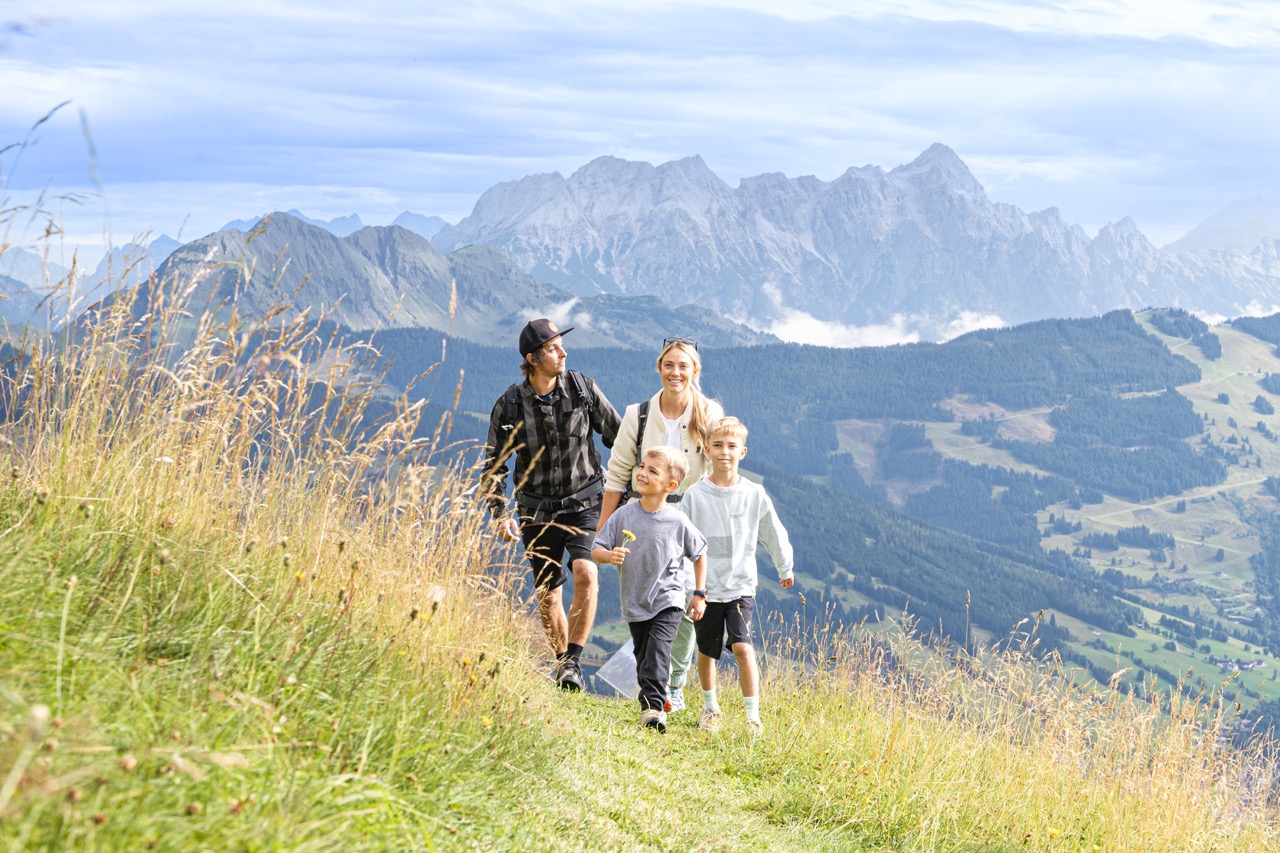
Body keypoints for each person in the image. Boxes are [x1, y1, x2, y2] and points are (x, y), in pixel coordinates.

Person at [482, 318, 621, 691]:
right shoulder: (509, 407)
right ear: (532, 359)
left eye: (562, 345)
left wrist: (634, 488)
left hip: (586, 501)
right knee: (548, 593)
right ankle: (564, 665)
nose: (563, 352)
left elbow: (619, 437)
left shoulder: (582, 389)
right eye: (553, 348)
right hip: (535, 510)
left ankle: (573, 659)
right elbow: (493, 467)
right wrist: (500, 514)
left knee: (586, 572)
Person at [597, 337, 723, 712]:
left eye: (683, 366)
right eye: (669, 365)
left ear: (695, 371)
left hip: (690, 517)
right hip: (642, 521)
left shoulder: (709, 413)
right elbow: (617, 476)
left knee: (681, 599)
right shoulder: (637, 414)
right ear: (659, 368)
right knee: (645, 600)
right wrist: (602, 536)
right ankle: (650, 678)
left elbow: (720, 467)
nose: (675, 372)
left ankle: (673, 685)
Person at [679, 416, 794, 735]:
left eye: (732, 446)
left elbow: (773, 531)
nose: (724, 452)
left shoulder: (754, 494)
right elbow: (682, 543)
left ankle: (752, 717)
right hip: (705, 589)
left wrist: (785, 566)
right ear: (706, 450)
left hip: (741, 586)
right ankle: (710, 709)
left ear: (743, 452)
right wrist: (691, 589)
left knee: (743, 647)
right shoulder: (695, 496)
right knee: (707, 651)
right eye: (717, 445)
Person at [593, 446, 708, 733]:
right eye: (642, 466)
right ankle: (657, 692)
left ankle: (653, 709)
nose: (642, 473)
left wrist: (699, 593)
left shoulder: (677, 521)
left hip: (670, 599)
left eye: (652, 471)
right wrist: (610, 555)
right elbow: (596, 548)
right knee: (644, 658)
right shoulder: (623, 515)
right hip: (635, 601)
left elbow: (700, 552)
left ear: (671, 486)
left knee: (657, 651)